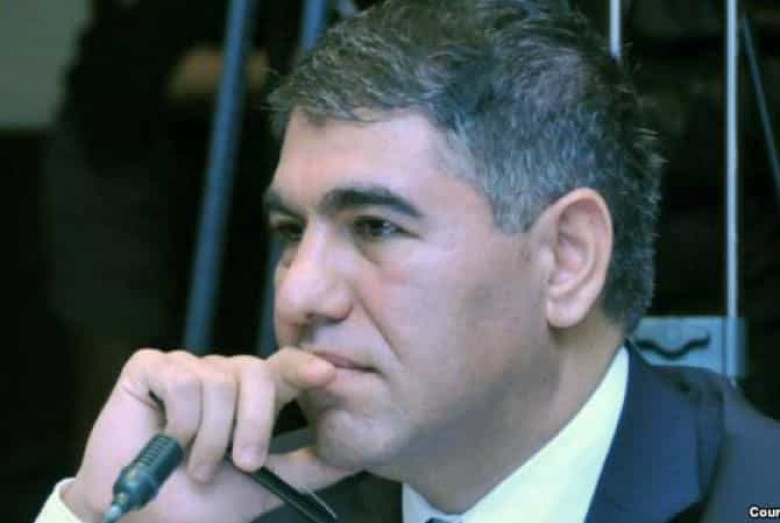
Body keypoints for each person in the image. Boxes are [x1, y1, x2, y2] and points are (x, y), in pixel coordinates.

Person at [35, 1, 780, 522]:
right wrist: (102, 513)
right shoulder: (241, 503)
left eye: (376, 227)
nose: (298, 294)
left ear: (566, 260)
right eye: (291, 231)